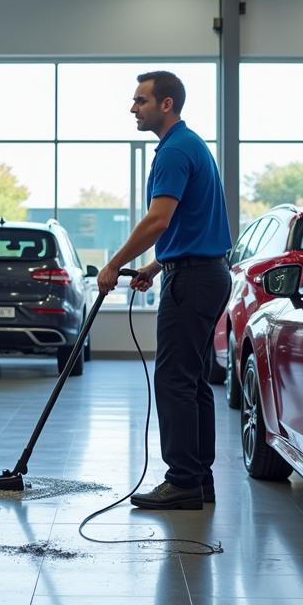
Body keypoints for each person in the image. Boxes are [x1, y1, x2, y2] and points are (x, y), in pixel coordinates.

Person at [97, 71, 232, 510]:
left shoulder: (173, 151)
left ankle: (182, 481)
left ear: (166, 104)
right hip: (204, 273)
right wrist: (157, 265)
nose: (133, 108)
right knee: (192, 382)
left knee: (174, 379)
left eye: (140, 100)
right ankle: (199, 478)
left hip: (192, 282)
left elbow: (159, 220)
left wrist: (114, 264)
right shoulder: (192, 146)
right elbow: (193, 226)